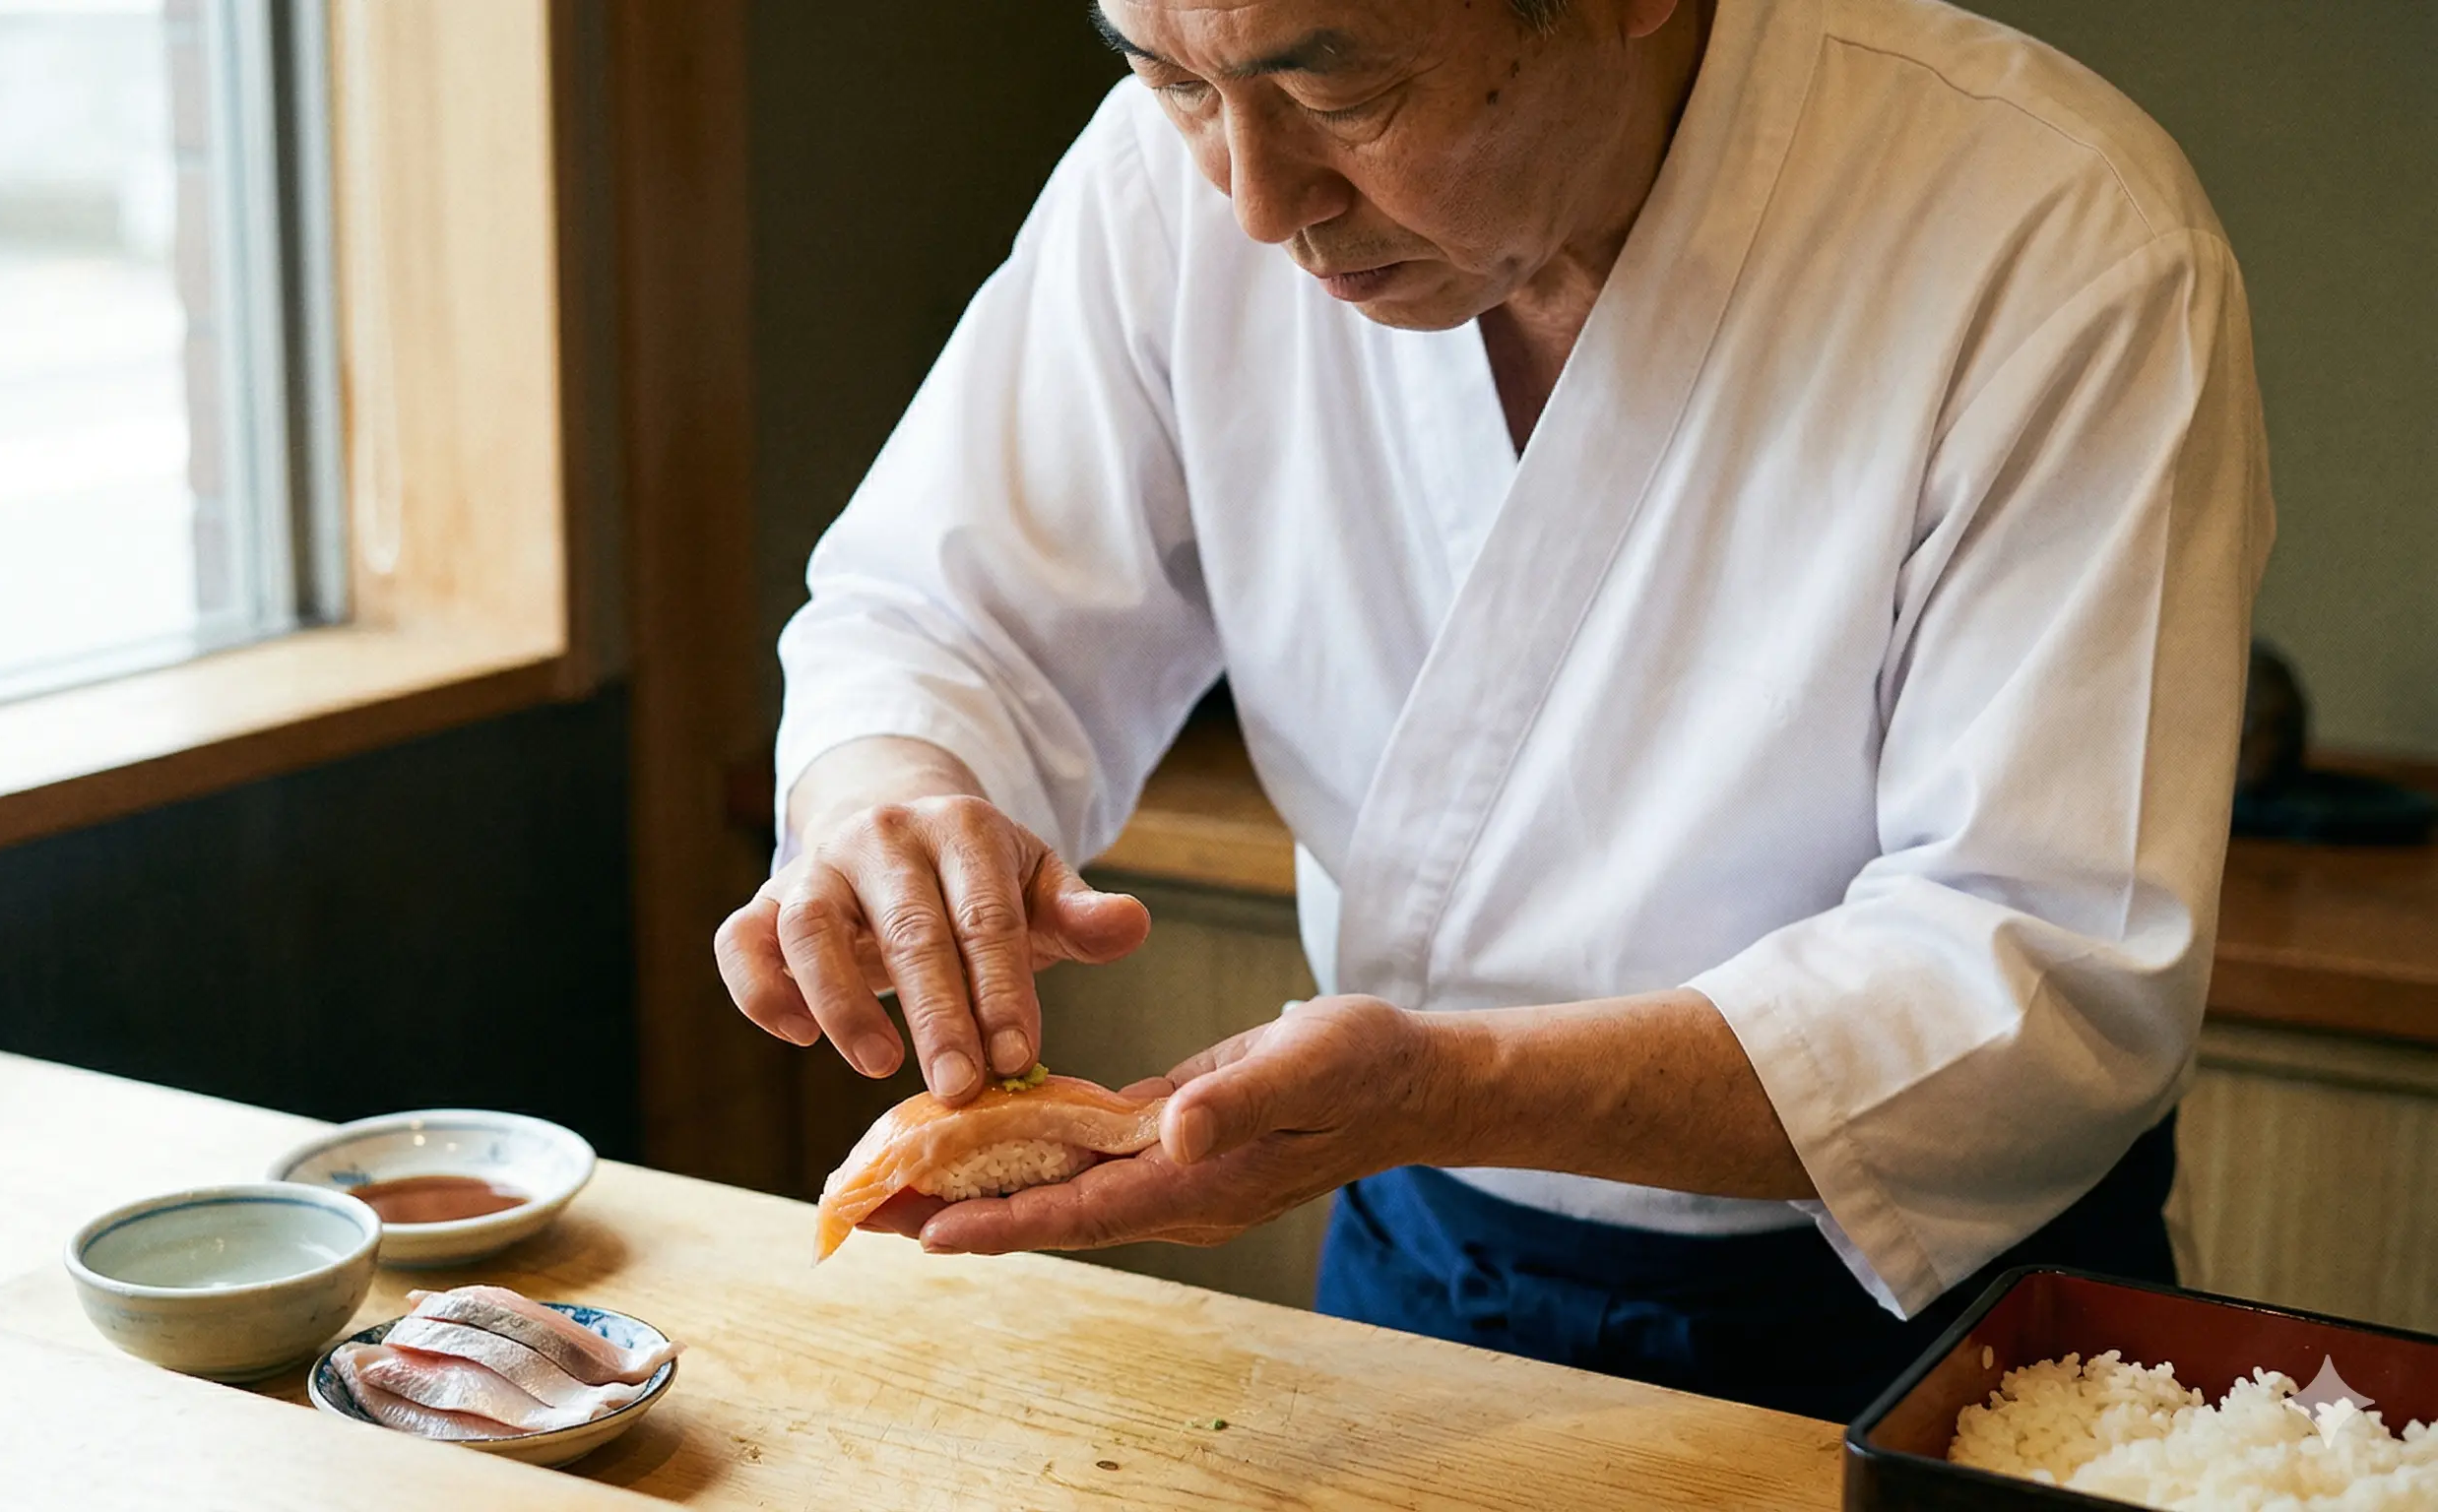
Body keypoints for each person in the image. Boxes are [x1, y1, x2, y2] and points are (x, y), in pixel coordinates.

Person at [715, 0, 2273, 1421]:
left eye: (1348, 88)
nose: (1257, 206)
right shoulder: (1176, 172)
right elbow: (940, 608)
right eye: (1168, 75)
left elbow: (2041, 967)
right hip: (1423, 1264)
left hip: (1927, 1323)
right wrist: (891, 790)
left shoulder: (2059, 240)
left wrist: (1449, 1087)